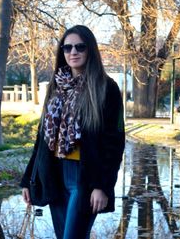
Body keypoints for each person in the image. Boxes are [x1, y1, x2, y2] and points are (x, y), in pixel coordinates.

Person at [20, 25, 125, 239]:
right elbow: (42, 139)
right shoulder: (55, 87)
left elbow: (114, 144)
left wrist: (102, 186)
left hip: (84, 177)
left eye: (80, 47)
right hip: (55, 174)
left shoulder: (106, 88)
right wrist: (28, 180)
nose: (73, 52)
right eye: (67, 48)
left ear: (90, 50)